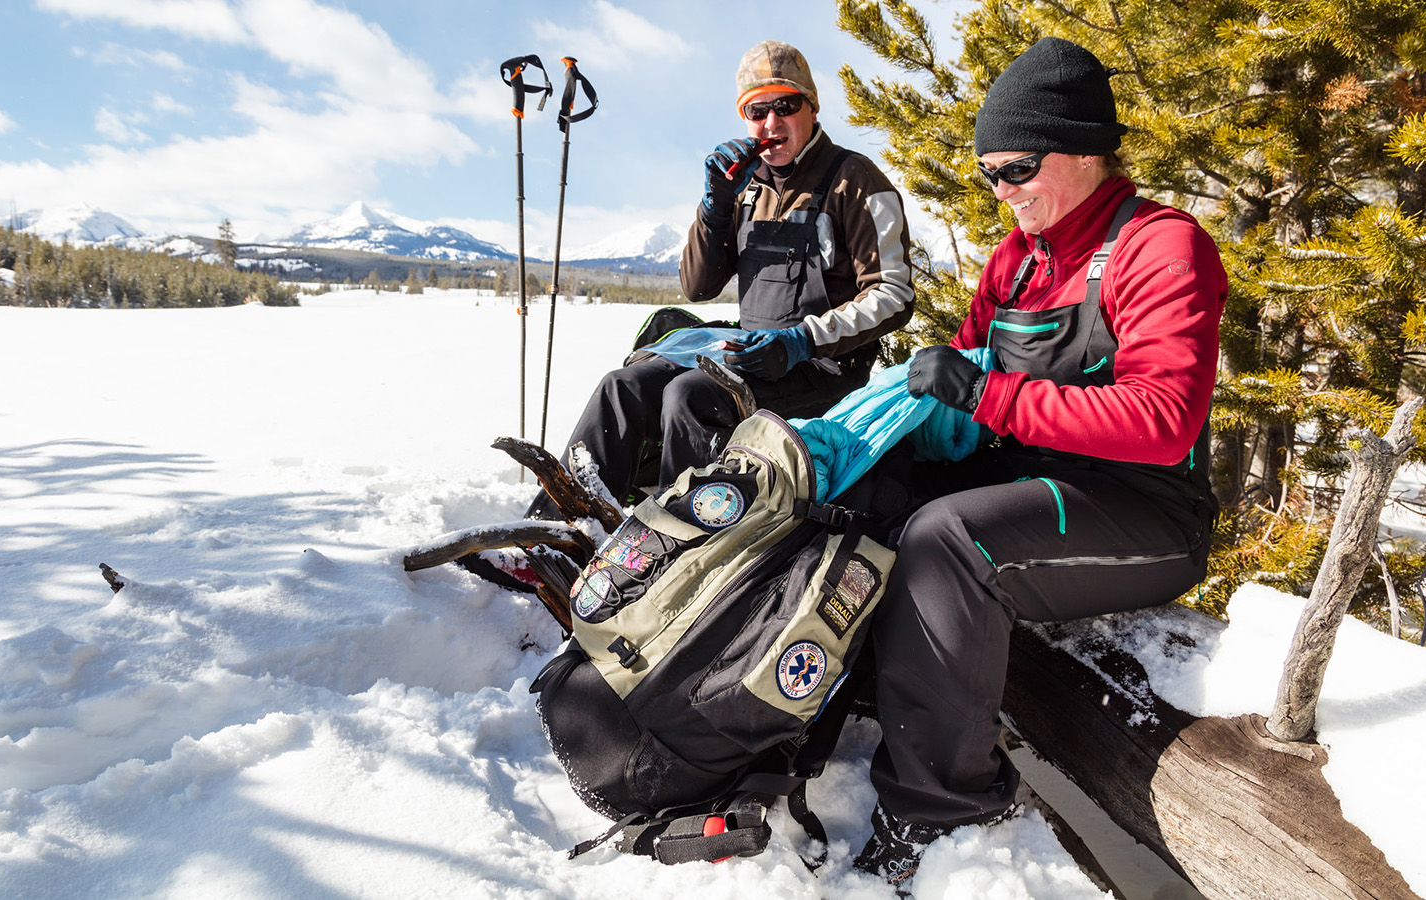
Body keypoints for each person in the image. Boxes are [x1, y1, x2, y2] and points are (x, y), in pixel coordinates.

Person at [850, 36, 1227, 891]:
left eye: (1016, 168)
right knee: (882, 493)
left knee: (951, 542)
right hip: (1039, 482)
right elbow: (962, 373)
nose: (1002, 192)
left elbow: (1165, 422)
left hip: (1144, 509)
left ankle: (941, 811)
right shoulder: (1017, 261)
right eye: (989, 174)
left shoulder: (1160, 247)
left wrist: (990, 399)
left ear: (1084, 147)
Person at [524, 40, 914, 520]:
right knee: (621, 387)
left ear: (811, 108)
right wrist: (714, 208)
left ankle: (672, 548)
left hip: (822, 370)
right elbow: (697, 287)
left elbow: (895, 293)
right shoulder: (744, 187)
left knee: (689, 395)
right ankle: (561, 529)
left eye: (785, 106)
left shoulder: (856, 180)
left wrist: (802, 340)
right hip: (747, 354)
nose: (771, 123)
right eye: (757, 110)